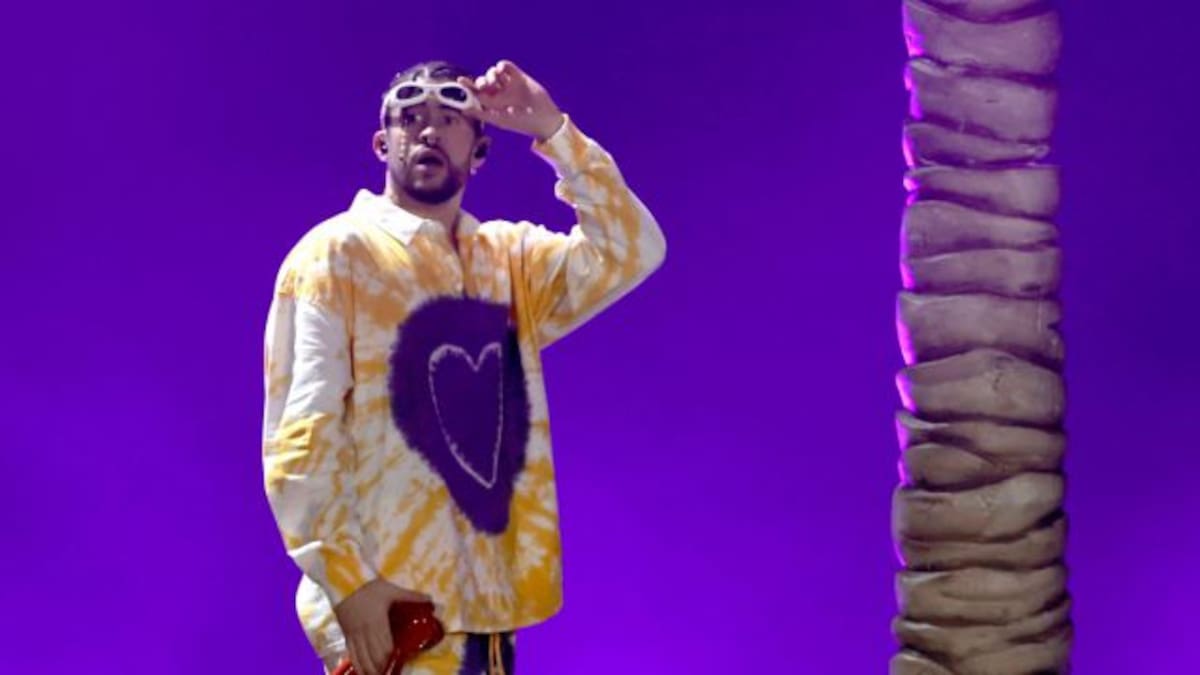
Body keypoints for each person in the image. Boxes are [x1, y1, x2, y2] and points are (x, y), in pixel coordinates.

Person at [261, 59, 666, 674]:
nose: (427, 131)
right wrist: (349, 582)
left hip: (489, 617)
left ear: (480, 152)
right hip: (390, 617)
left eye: (449, 120)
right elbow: (302, 432)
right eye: (409, 118)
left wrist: (554, 131)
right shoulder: (335, 255)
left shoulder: (507, 260)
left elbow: (633, 248)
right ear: (382, 143)